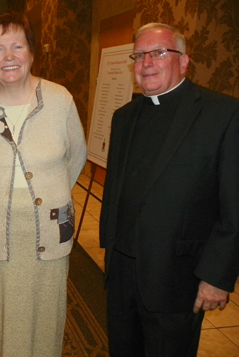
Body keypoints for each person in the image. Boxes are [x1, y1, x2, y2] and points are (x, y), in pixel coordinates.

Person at [100, 22, 239, 357]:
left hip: (177, 276)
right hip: (121, 272)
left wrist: (217, 276)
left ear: (184, 61)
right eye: (140, 55)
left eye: (159, 53)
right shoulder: (124, 117)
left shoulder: (223, 114)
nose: (147, 62)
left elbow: (235, 204)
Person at [0, 12, 87, 357]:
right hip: (0, 226)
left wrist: (51, 191)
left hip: (49, 225)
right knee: (8, 315)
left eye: (17, 45)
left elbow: (76, 156)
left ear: (31, 52)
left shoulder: (60, 100)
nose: (9, 56)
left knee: (49, 314)